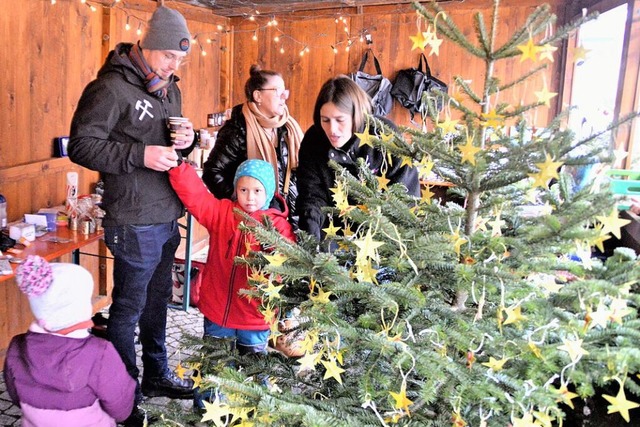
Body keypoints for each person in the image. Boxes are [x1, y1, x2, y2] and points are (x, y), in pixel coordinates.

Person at [67, 5, 195, 424]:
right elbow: (82, 146)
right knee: (127, 309)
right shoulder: (109, 88)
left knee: (159, 301)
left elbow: (172, 149)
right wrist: (140, 154)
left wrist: (188, 140)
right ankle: (126, 392)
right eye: (168, 57)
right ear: (147, 43)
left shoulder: (169, 89)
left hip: (166, 212)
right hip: (132, 217)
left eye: (180, 59)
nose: (174, 66)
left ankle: (157, 373)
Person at [168, 159, 296, 408]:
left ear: (268, 192)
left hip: (254, 316)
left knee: (255, 367)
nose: (249, 197)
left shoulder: (276, 226)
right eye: (244, 190)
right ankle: (206, 409)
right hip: (218, 311)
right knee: (214, 364)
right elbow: (196, 198)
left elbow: (286, 263)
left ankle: (258, 410)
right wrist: (178, 167)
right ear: (235, 189)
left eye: (257, 191)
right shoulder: (223, 213)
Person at [3, 255, 136, 426]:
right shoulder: (100, 353)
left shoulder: (16, 346)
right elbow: (121, 407)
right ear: (79, 309)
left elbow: (15, 395)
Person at [296, 76, 420, 241]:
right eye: (325, 120)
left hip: (382, 236)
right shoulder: (314, 139)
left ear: (357, 115)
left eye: (340, 120)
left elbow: (405, 195)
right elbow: (311, 195)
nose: (332, 129)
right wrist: (311, 241)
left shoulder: (385, 134)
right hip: (333, 237)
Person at [201, 64, 304, 226]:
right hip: (249, 222)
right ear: (258, 96)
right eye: (277, 91)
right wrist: (242, 203)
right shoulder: (237, 129)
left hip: (286, 216)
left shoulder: (289, 128)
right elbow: (212, 172)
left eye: (285, 91)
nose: (284, 96)